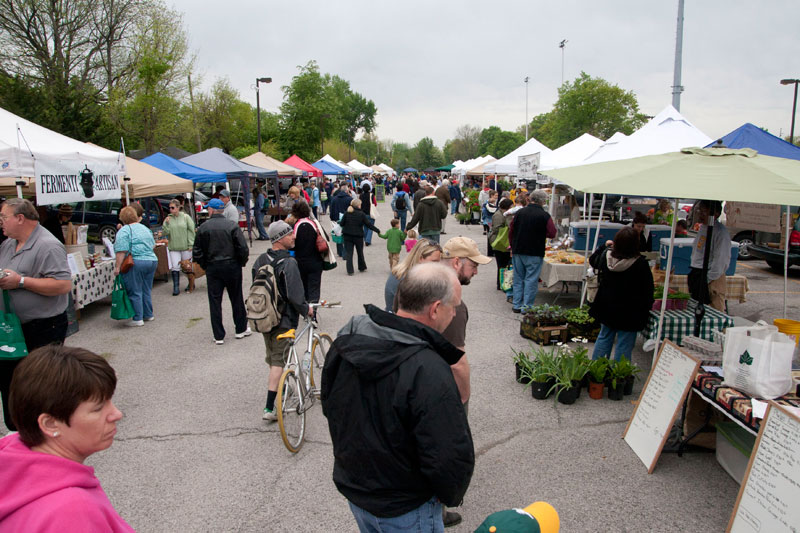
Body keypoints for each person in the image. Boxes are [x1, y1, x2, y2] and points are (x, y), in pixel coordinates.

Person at [322, 263, 474, 532]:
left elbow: (330, 403)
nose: (455, 314)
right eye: (454, 307)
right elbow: (447, 453)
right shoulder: (429, 368)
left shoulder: (350, 335)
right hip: (407, 505)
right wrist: (448, 496)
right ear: (435, 309)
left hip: (357, 490)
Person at [0, 345, 133, 531]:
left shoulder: (10, 464)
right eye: (97, 408)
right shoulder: (71, 512)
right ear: (50, 424)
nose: (116, 414)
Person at [0, 198, 72, 432]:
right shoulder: (8, 244)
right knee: (11, 381)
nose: (1, 222)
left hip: (43, 327)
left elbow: (62, 285)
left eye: (3, 217)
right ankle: (17, 430)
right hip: (12, 328)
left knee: (40, 384)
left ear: (20, 218)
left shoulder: (47, 245)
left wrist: (20, 281)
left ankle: (45, 433)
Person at [438, 237, 490, 527]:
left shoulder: (422, 285)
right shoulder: (452, 302)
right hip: (442, 389)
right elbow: (457, 360)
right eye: (473, 265)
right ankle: (439, 512)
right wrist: (465, 397)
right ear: (457, 262)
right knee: (446, 450)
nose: (476, 272)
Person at [251, 221, 311, 421]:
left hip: (264, 317)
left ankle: (282, 391)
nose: (294, 237)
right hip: (284, 320)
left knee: (274, 358)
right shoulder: (288, 263)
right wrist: (306, 310)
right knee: (278, 361)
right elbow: (295, 295)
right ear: (279, 239)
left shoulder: (259, 260)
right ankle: (269, 408)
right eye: (289, 234)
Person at [589, 227, 654, 361]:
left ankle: (596, 371)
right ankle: (619, 376)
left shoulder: (606, 258)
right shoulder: (640, 264)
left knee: (604, 337)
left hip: (607, 306)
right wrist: (646, 307)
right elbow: (648, 290)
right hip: (630, 311)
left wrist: (603, 246)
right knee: (625, 343)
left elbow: (592, 260)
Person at [192, 198, 250, 345]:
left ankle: (218, 335)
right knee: (236, 297)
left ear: (211, 210)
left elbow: (197, 251)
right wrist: (240, 262)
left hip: (213, 266)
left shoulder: (204, 228)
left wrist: (205, 265)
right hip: (231, 265)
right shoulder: (231, 226)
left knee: (215, 300)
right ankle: (240, 328)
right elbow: (242, 248)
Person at [509, 190, 556, 312]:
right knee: (531, 279)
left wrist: (512, 246)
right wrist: (540, 233)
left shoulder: (519, 213)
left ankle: (516, 304)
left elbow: (511, 230)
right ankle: (527, 306)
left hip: (518, 249)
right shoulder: (544, 215)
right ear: (543, 201)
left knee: (518, 278)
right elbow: (552, 233)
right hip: (535, 250)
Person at [114, 205, 158, 326]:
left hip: (136, 262)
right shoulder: (144, 228)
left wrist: (117, 267)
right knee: (146, 289)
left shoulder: (124, 230)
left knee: (135, 290)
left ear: (122, 218)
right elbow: (153, 245)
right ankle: (148, 314)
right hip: (152, 260)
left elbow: (121, 250)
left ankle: (137, 318)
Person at [689, 200, 731, 312]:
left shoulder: (720, 232)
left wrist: (707, 279)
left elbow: (720, 260)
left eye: (704, 211)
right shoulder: (703, 227)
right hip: (698, 272)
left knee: (714, 311)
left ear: (715, 214)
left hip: (712, 277)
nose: (700, 214)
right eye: (699, 210)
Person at [384, 239, 442, 312]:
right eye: (434, 262)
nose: (438, 266)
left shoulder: (399, 272)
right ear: (420, 258)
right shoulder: (411, 281)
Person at [291, 201, 324, 303]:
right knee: (314, 288)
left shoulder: (294, 227)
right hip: (315, 261)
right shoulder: (315, 224)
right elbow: (325, 239)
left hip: (300, 262)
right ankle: (313, 312)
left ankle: (306, 311)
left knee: (303, 287)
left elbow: (291, 246)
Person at [162, 198, 196, 296]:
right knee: (175, 266)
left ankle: (191, 283)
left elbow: (191, 230)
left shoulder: (186, 217)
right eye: (169, 208)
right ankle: (176, 287)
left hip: (185, 246)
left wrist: (190, 244)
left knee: (187, 267)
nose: (170, 210)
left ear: (178, 208)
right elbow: (165, 232)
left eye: (172, 208)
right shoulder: (168, 218)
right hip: (174, 246)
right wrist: (166, 224)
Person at [340, 199, 380, 275]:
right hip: (358, 236)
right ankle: (361, 267)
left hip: (347, 235)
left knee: (349, 253)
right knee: (360, 252)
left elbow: (341, 224)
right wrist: (377, 230)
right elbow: (368, 225)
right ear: (358, 205)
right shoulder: (361, 214)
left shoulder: (347, 213)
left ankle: (350, 270)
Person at [489, 198, 514, 290]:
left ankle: (502, 282)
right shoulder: (500, 215)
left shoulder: (502, 214)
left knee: (503, 264)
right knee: (502, 264)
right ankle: (501, 283)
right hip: (500, 242)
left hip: (501, 242)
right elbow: (496, 229)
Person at [330, 183, 353, 259]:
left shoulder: (335, 199)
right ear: (346, 190)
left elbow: (331, 209)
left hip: (337, 218)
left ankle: (340, 252)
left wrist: (332, 218)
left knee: (338, 234)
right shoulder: (349, 199)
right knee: (346, 235)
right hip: (347, 219)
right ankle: (345, 252)